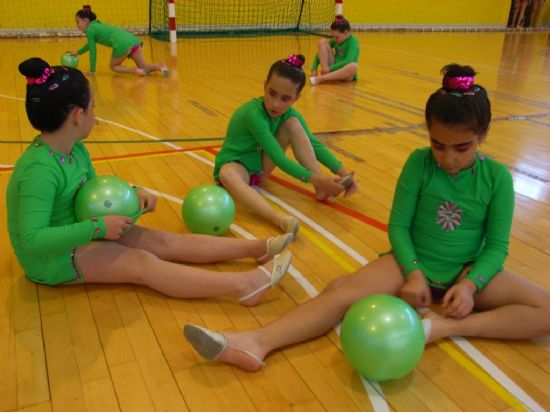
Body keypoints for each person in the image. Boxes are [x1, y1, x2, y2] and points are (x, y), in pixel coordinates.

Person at [184, 63, 550, 371]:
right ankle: (254, 342)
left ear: (482, 136)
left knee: (545, 310)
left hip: (469, 268)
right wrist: (414, 271)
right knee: (339, 291)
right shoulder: (419, 163)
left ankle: (442, 329)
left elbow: (497, 246)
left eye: (462, 148)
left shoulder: (498, 178)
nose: (448, 158)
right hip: (413, 260)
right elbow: (399, 227)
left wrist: (471, 285)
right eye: (438, 145)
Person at [7, 57, 293, 307]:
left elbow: (91, 195)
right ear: (78, 115)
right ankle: (244, 287)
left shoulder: (76, 150)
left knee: (160, 239)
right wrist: (97, 227)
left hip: (81, 228)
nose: (95, 115)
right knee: (140, 263)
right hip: (52, 259)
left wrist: (132, 196)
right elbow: (33, 240)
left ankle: (257, 248)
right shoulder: (39, 171)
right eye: (93, 108)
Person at [214, 54, 358, 238]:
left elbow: (314, 144)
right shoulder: (253, 114)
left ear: (297, 98)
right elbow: (279, 159)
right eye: (272, 93)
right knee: (227, 174)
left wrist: (343, 172)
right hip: (238, 166)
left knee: (293, 125)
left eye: (285, 98)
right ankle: (279, 219)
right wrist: (317, 178)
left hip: (260, 168)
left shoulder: (291, 114)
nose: (275, 104)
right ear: (264, 85)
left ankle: (321, 189)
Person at [69, 5, 169, 77]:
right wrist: (78, 52)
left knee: (113, 66)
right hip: (133, 40)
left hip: (122, 44)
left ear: (86, 21)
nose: (76, 25)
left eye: (77, 22)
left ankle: (132, 70)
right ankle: (160, 67)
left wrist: (92, 70)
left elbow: (93, 51)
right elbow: (89, 45)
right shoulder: (97, 25)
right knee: (143, 67)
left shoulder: (90, 30)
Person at [309, 15, 359, 85]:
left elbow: (348, 60)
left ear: (346, 32)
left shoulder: (353, 42)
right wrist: (314, 69)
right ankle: (326, 75)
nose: (334, 39)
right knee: (322, 42)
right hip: (332, 68)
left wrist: (329, 68)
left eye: (337, 37)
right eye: (333, 36)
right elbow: (320, 53)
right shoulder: (336, 41)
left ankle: (321, 78)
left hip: (345, 72)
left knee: (354, 66)